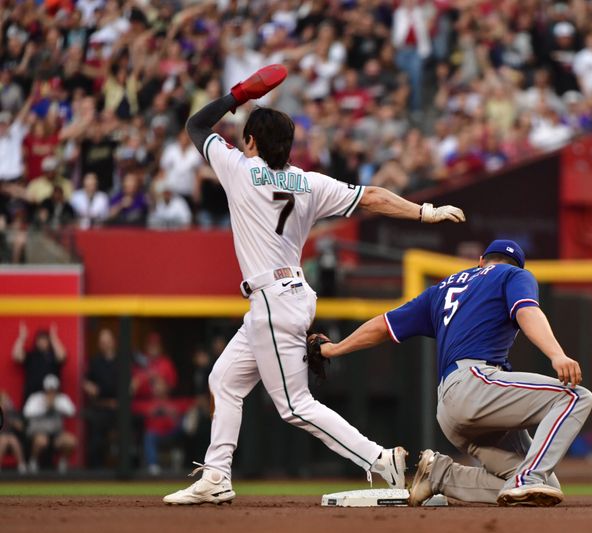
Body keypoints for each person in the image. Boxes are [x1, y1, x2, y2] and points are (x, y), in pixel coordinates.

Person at [163, 64, 465, 505]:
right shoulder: (309, 181)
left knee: (294, 406)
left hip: (271, 298)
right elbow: (375, 197)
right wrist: (425, 213)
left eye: (246, 138)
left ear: (250, 142)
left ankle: (382, 460)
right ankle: (216, 475)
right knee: (224, 379)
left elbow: (195, 124)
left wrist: (239, 94)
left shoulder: (238, 169)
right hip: (292, 295)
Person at [316, 240, 592, 507]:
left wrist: (335, 349)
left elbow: (383, 325)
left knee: (545, 490)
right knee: (575, 398)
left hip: (449, 409)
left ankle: (441, 475)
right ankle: (528, 476)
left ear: (481, 261)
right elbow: (526, 311)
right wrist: (556, 354)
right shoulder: (513, 275)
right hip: (475, 384)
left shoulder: (440, 291)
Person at [23, 374, 77, 474]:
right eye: (49, 389)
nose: (51, 392)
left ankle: (63, 462)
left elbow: (72, 411)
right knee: (42, 441)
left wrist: (55, 405)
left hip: (56, 434)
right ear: (44, 388)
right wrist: (45, 406)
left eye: (53, 389)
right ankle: (33, 461)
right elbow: (27, 413)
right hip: (38, 432)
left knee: (71, 441)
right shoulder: (36, 398)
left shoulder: (61, 399)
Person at [83, 328, 119, 469]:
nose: (104, 344)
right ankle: (96, 472)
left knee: (128, 434)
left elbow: (133, 381)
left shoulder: (122, 360)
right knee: (96, 438)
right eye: (102, 342)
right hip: (101, 407)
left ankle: (128, 470)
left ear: (113, 343)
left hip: (119, 408)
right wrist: (88, 386)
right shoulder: (95, 362)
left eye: (107, 341)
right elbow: (86, 381)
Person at [12, 322, 67, 402]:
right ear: (36, 341)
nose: (42, 342)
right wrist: (22, 338)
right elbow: (16, 356)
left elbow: (62, 356)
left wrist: (54, 338)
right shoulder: (31, 355)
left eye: (45, 340)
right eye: (40, 340)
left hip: (51, 398)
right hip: (31, 397)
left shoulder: (54, 355)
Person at [0, 390, 27, 473]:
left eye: (7, 400)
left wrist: (14, 423)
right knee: (4, 440)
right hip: (1, 438)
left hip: (12, 437)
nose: (5, 402)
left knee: (12, 439)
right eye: (3, 400)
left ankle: (21, 465)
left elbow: (21, 428)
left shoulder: (13, 412)